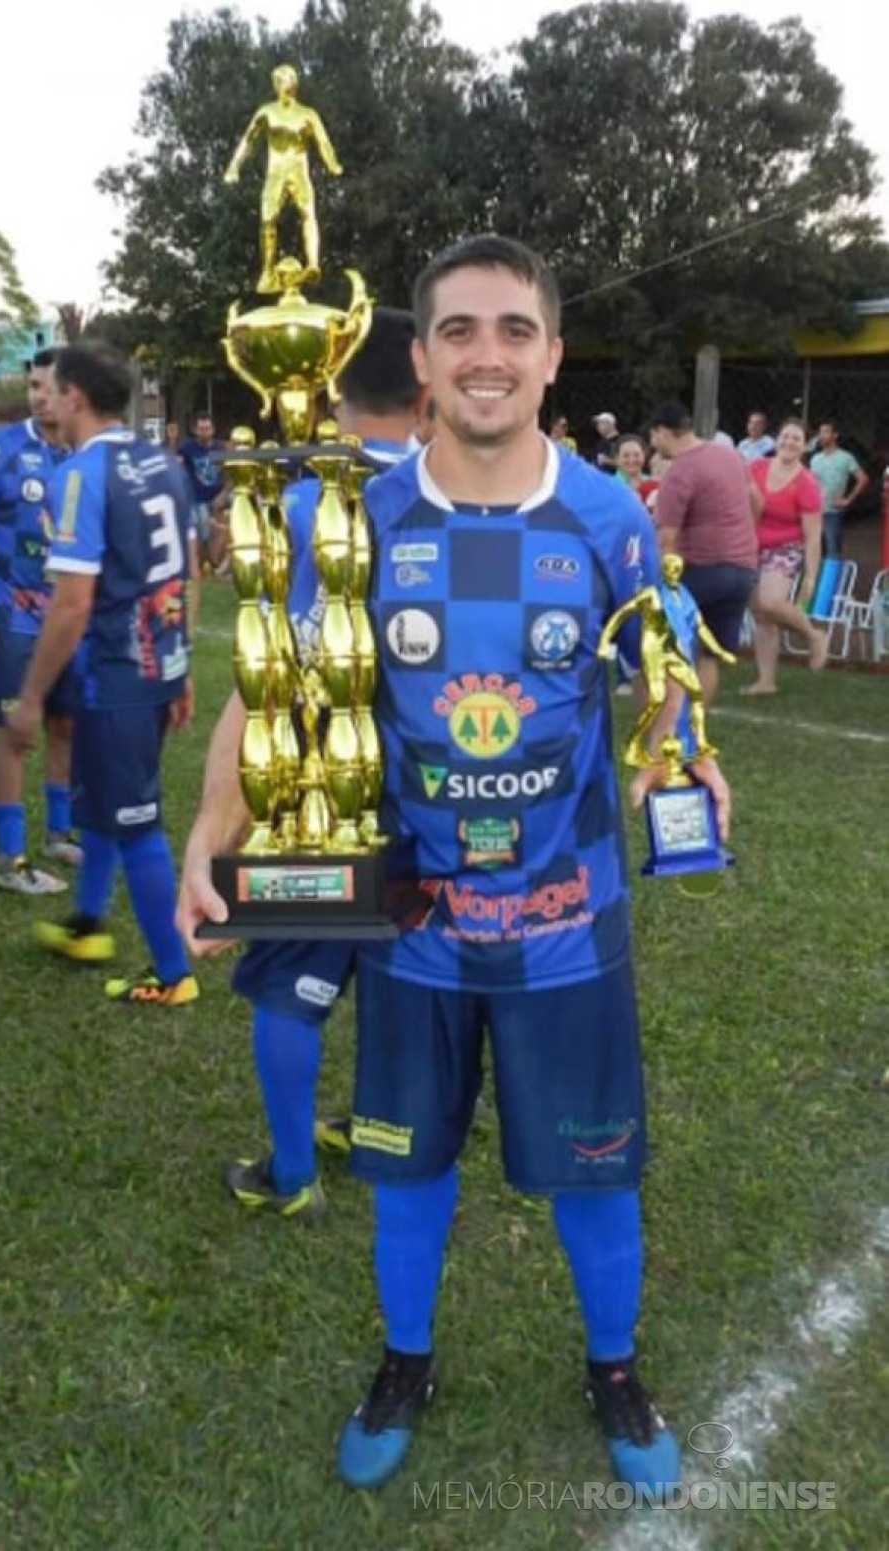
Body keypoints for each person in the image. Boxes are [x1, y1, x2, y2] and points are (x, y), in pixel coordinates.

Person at [180, 236, 731, 1495]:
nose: (488, 355)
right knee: (404, 1164)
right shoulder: (358, 518)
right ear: (421, 358)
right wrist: (211, 838)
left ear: (550, 355)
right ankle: (406, 1360)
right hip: (415, 923)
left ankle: (613, 1371)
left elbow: (663, 673)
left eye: (514, 331)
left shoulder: (606, 519)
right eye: (461, 331)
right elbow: (269, 690)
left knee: (597, 1165)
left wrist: (680, 753)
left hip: (563, 921)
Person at [179, 308, 422, 1217]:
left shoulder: (310, 496)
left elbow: (271, 668)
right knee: (407, 972)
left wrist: (218, 823)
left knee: (292, 980)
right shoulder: (452, 494)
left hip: (317, 788)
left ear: (332, 383)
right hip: (429, 798)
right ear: (428, 382)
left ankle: (290, 1175)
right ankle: (380, 1125)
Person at [4, 342, 199, 1007]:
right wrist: (181, 667)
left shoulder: (82, 474)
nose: (42, 399)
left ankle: (173, 974)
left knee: (137, 820)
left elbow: (73, 602)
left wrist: (31, 696)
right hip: (153, 663)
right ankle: (89, 924)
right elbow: (184, 569)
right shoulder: (161, 462)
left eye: (49, 389)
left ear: (75, 398)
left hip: (116, 670)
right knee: (107, 806)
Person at [0, 349, 79, 894]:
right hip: (13, 619)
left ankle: (58, 834)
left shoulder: (81, 454)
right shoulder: (3, 448)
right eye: (32, 385)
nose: (37, 395)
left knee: (66, 725)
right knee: (15, 731)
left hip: (69, 621)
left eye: (47, 386)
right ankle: (11, 860)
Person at [650, 401, 757, 705]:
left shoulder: (680, 472)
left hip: (702, 569)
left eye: (653, 437)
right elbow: (756, 500)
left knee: (667, 648)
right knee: (709, 655)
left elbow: (666, 539)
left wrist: (664, 590)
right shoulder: (730, 456)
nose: (653, 445)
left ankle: (667, 726)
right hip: (742, 569)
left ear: (663, 431)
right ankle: (696, 731)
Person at [598, 553, 736, 765]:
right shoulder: (651, 593)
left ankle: (699, 742)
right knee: (658, 700)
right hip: (654, 651)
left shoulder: (684, 595)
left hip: (675, 650)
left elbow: (700, 627)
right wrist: (605, 640)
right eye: (670, 569)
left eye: (677, 569)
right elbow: (622, 615)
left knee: (696, 694)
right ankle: (637, 744)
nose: (674, 573)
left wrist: (719, 651)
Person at [224, 63, 342, 292]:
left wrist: (332, 164)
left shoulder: (308, 114)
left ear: (293, 83)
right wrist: (234, 166)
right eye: (276, 82)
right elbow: (249, 140)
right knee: (268, 219)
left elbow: (323, 142)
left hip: (298, 171)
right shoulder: (267, 112)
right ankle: (268, 271)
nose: (278, 86)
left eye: (282, 80)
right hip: (276, 172)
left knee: (308, 213)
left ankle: (313, 264)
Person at [743, 419, 827, 694]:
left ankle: (814, 635)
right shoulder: (755, 468)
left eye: (796, 439)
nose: (789, 442)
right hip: (752, 545)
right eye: (785, 436)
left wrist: (811, 578)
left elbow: (813, 535)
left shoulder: (807, 484)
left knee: (770, 601)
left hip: (785, 547)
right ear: (776, 439)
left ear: (804, 446)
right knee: (760, 614)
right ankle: (766, 681)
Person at [809, 419, 869, 558]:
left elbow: (863, 479)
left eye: (826, 432)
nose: (822, 435)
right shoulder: (815, 459)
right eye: (820, 432)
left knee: (832, 551)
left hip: (832, 512)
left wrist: (848, 500)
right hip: (814, 512)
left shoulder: (845, 458)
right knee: (814, 551)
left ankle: (833, 579)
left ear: (835, 435)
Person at [178, 412, 226, 573]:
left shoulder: (222, 449)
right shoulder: (187, 449)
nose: (204, 431)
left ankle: (217, 562)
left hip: (219, 495)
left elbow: (232, 474)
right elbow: (177, 469)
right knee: (202, 529)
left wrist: (224, 494)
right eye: (201, 428)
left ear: (213, 429)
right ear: (195, 430)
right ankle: (203, 563)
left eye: (207, 428)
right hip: (197, 498)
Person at [614, 433, 660, 514]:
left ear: (644, 456)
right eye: (626, 456)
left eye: (636, 455)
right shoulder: (610, 485)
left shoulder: (654, 483)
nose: (632, 460)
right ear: (617, 458)